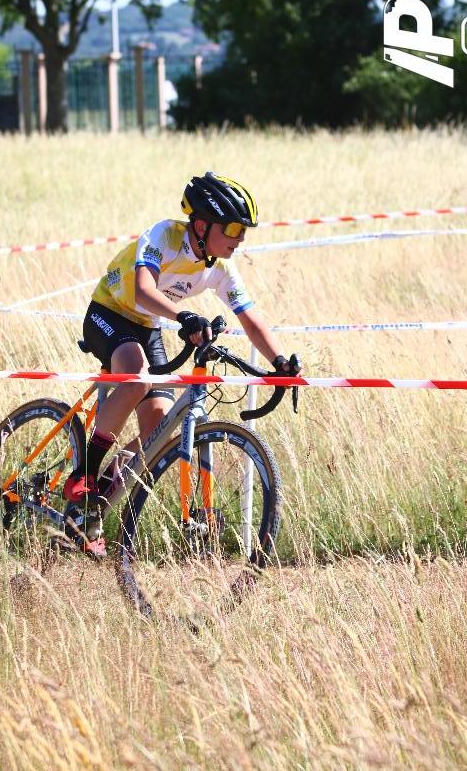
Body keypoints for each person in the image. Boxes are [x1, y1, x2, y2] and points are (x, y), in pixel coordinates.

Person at [63, 172, 301, 555]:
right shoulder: (165, 236)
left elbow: (250, 318)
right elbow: (144, 290)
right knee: (137, 377)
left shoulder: (220, 267)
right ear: (203, 225)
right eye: (233, 229)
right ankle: (86, 472)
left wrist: (280, 362)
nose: (240, 238)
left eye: (244, 231)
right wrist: (183, 317)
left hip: (148, 326)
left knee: (156, 431)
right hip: (109, 312)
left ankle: (91, 506)